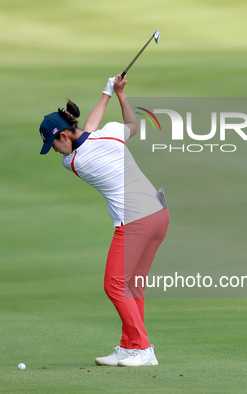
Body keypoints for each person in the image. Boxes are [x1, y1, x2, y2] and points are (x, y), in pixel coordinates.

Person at [38, 75, 170, 367]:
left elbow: (87, 130)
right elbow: (126, 127)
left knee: (114, 284)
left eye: (53, 145)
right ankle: (129, 346)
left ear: (63, 136)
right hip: (159, 214)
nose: (55, 153)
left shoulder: (74, 162)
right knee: (133, 285)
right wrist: (116, 94)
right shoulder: (110, 133)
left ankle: (143, 348)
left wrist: (107, 92)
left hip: (135, 220)